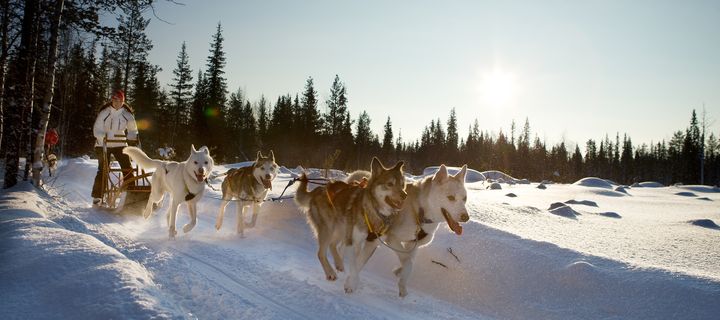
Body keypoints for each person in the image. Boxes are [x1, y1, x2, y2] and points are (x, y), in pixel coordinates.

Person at [90, 90, 138, 206]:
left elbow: (133, 129)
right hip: (103, 144)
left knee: (127, 168)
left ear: (123, 101)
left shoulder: (127, 114)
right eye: (115, 100)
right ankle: (98, 196)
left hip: (120, 143)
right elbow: (97, 129)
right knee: (103, 169)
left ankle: (131, 193)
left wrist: (132, 138)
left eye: (120, 101)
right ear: (112, 100)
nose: (117, 103)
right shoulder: (105, 112)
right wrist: (102, 137)